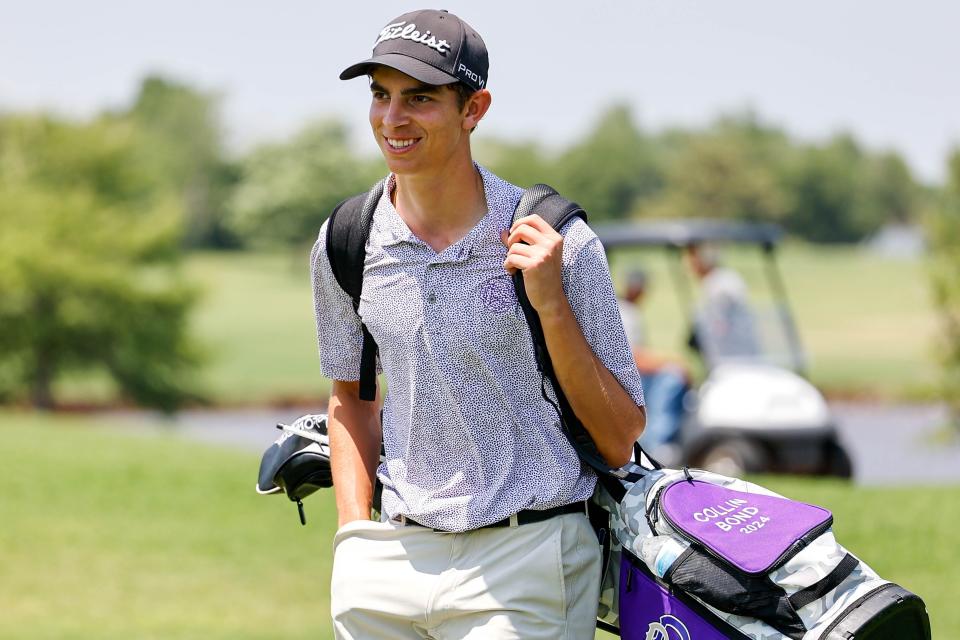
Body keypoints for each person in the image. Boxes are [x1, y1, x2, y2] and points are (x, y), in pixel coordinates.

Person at [310, 9, 646, 640]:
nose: (392, 118)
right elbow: (350, 400)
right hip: (390, 559)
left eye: (420, 99)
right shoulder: (347, 239)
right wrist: (353, 535)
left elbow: (619, 437)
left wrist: (551, 304)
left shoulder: (558, 241)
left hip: (529, 555)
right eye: (380, 95)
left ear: (474, 109)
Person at [617, 269, 689, 456]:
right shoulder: (626, 312)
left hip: (631, 377)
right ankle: (656, 444)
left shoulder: (627, 311)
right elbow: (634, 358)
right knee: (671, 378)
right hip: (625, 379)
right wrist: (673, 363)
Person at [685, 243, 761, 366]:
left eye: (692, 255)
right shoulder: (717, 281)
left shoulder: (720, 284)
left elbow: (719, 328)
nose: (688, 262)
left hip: (735, 360)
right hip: (729, 358)